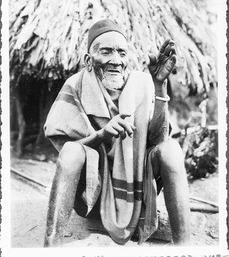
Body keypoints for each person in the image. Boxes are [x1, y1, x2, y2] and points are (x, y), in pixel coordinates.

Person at [43, 19, 190, 247]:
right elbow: (66, 151)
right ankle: (50, 247)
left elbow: (158, 141)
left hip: (137, 189)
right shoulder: (76, 86)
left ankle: (185, 246)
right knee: (73, 151)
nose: (116, 60)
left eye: (122, 52)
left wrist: (159, 85)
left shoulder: (141, 84)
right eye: (106, 51)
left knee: (171, 149)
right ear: (88, 60)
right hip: (91, 194)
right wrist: (102, 134)